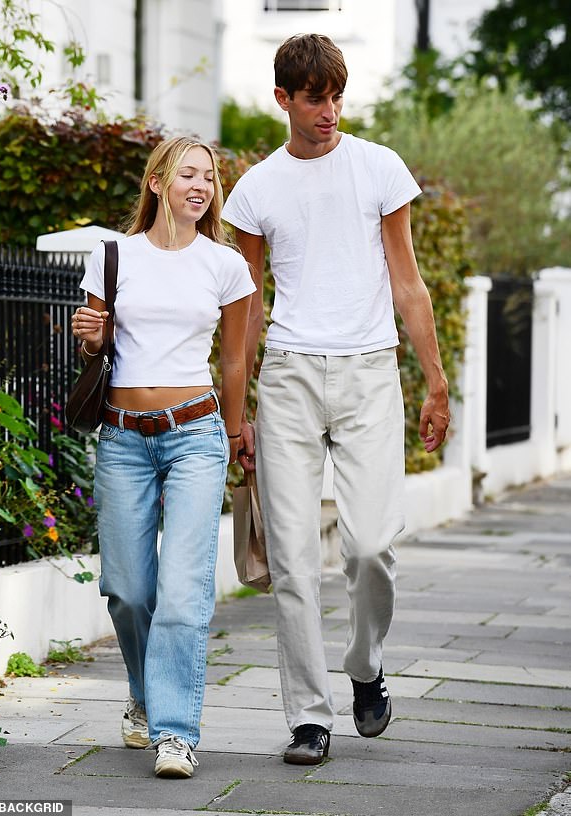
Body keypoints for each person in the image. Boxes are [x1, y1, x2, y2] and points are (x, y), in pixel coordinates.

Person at [222, 34, 450, 765]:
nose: (328, 110)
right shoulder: (256, 188)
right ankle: (308, 718)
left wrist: (437, 381)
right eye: (313, 97)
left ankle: (366, 665)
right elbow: (246, 309)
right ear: (283, 99)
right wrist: (240, 409)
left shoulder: (378, 167)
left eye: (336, 95)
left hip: (368, 372)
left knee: (372, 545)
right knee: (291, 558)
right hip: (287, 376)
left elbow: (408, 283)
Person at [70, 136, 255, 779]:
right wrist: (92, 340)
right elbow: (94, 356)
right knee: (127, 589)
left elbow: (234, 360)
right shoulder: (112, 257)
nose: (201, 185)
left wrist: (234, 434)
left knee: (182, 591)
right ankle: (145, 696)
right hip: (122, 437)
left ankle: (174, 733)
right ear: (157, 181)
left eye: (209, 176)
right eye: (188, 174)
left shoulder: (225, 266)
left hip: (196, 436)